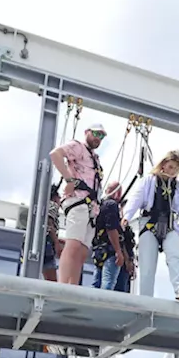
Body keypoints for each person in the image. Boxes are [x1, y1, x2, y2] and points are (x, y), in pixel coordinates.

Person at [122, 149, 179, 300]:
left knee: (174, 255)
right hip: (149, 224)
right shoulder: (149, 181)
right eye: (171, 167)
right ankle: (146, 298)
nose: (173, 172)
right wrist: (127, 216)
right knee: (147, 265)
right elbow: (136, 199)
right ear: (164, 165)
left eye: (177, 169)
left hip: (170, 225)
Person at [49, 122, 105, 285]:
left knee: (81, 251)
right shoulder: (78, 147)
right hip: (78, 201)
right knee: (73, 244)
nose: (98, 138)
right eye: (96, 134)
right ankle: (63, 285)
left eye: (101, 136)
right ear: (87, 132)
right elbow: (56, 154)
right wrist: (69, 179)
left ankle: (72, 285)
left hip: (90, 207)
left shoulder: (94, 157)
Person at [91, 181, 131, 292]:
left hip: (99, 251)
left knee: (96, 284)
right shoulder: (111, 205)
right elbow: (111, 229)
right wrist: (119, 252)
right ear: (117, 194)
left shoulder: (98, 206)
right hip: (110, 251)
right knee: (108, 284)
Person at [41, 187, 62, 281]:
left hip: (38, 244)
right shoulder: (53, 205)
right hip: (46, 245)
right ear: (55, 197)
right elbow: (49, 224)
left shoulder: (42, 206)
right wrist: (57, 243)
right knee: (51, 282)